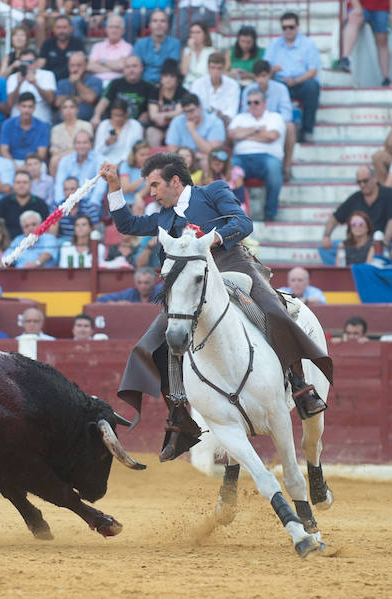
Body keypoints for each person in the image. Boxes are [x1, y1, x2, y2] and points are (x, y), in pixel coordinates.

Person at [99, 153, 332, 461]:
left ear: (175, 181)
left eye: (155, 185)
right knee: (149, 346)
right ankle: (179, 418)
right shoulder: (163, 217)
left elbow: (243, 223)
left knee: (273, 308)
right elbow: (127, 224)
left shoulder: (213, 192)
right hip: (192, 287)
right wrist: (115, 187)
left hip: (233, 267)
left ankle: (300, 386)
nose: (150, 193)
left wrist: (213, 239)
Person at [228, 88, 286, 222]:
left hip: (267, 157)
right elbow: (232, 134)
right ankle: (233, 213)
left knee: (274, 168)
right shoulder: (240, 118)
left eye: (256, 102)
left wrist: (245, 135)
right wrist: (257, 129)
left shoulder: (274, 117)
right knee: (229, 168)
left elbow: (271, 136)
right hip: (241, 158)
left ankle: (270, 212)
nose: (252, 105)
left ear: (264, 102)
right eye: (249, 103)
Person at [264, 11, 320, 143]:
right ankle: (272, 128)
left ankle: (307, 130)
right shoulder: (274, 45)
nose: (288, 30)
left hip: (300, 82)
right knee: (267, 87)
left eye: (291, 27)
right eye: (284, 27)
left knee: (313, 86)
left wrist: (295, 81)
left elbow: (312, 71)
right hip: (279, 82)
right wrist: (273, 70)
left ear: (297, 27)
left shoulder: (308, 44)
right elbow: (264, 69)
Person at [322, 166, 392, 249]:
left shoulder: (388, 194)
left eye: (365, 181)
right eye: (359, 182)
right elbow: (335, 217)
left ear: (375, 178)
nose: (362, 185)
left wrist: (384, 243)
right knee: (324, 248)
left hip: (383, 243)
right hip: (359, 245)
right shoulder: (355, 198)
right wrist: (326, 236)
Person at [91, 55, 156, 129]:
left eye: (134, 66)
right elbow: (104, 101)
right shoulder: (115, 83)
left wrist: (147, 114)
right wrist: (96, 116)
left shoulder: (150, 87)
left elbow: (154, 108)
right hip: (114, 123)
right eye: (127, 67)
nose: (131, 69)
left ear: (141, 68)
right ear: (123, 69)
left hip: (137, 125)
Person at [336, 0, 392, 86]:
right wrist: (356, 5)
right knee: (355, 17)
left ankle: (386, 78)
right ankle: (345, 58)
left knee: (382, 39)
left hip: (382, 6)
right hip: (361, 5)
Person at [4, 47, 56, 125]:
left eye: (30, 62)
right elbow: (10, 104)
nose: (27, 65)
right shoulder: (13, 78)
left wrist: (35, 83)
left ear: (37, 62)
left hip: (42, 122)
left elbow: (50, 100)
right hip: (18, 124)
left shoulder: (47, 75)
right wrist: (19, 84)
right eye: (23, 62)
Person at [55, 130, 105, 209]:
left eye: (85, 143)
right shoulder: (65, 160)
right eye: (78, 143)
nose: (81, 146)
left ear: (91, 144)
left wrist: (94, 203)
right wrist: (61, 203)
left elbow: (101, 184)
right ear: (74, 145)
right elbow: (59, 183)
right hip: (68, 203)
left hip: (90, 203)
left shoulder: (99, 159)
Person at [190, 53, 240, 126]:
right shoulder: (197, 84)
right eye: (212, 68)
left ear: (224, 69)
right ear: (208, 68)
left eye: (219, 68)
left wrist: (222, 116)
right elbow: (194, 108)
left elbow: (232, 111)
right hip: (201, 122)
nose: (215, 72)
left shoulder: (233, 85)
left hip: (224, 123)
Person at [0, 171, 50, 240]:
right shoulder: (4, 202)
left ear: (31, 184)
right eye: (18, 182)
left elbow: (46, 227)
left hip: (35, 242)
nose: (21, 185)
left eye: (25, 182)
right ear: (13, 185)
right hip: (9, 242)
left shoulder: (40, 204)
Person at [130, 9, 178, 85]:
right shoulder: (140, 44)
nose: (159, 24)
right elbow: (135, 67)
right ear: (150, 25)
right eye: (155, 21)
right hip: (143, 85)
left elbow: (171, 69)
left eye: (162, 21)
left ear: (167, 25)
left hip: (166, 85)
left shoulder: (175, 44)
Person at [0, 92, 50, 163]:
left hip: (34, 163)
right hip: (12, 161)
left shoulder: (43, 126)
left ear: (34, 108)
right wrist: (14, 165)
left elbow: (42, 153)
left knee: (42, 167)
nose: (26, 110)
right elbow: (4, 150)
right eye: (24, 106)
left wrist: (28, 166)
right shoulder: (7, 124)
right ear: (18, 107)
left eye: (30, 107)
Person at [87, 13, 133, 87]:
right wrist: (116, 68)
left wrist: (102, 61)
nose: (113, 30)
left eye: (117, 27)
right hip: (97, 84)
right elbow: (90, 66)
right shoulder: (97, 46)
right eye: (111, 27)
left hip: (118, 85)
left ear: (123, 31)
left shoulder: (128, 48)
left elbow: (123, 67)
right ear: (106, 29)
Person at [55, 51, 101, 124]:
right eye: (72, 65)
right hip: (64, 123)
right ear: (68, 66)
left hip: (87, 122)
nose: (75, 69)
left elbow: (90, 98)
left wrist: (77, 82)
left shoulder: (95, 81)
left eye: (79, 65)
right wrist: (80, 99)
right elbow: (58, 102)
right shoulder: (62, 83)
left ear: (86, 65)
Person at [94, 98, 143, 165]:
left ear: (126, 113)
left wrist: (120, 164)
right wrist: (107, 143)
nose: (117, 119)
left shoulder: (135, 125)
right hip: (105, 164)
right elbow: (97, 152)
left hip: (127, 163)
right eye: (114, 115)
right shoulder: (104, 125)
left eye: (120, 115)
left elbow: (137, 149)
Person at [37, 14, 85, 82]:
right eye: (58, 27)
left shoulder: (77, 43)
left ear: (71, 28)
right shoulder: (47, 43)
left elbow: (82, 63)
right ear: (54, 29)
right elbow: (41, 62)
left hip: (71, 81)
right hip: (50, 81)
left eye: (64, 27)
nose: (61, 31)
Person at [97, 266, 163, 303]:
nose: (143, 286)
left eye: (146, 282)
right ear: (135, 282)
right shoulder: (130, 293)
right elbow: (101, 299)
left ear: (154, 282)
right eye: (139, 282)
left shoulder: (161, 291)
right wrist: (116, 303)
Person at [180, 20, 215, 89]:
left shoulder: (212, 51)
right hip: (189, 85)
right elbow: (184, 72)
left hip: (206, 85)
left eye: (198, 32)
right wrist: (191, 50)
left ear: (205, 35)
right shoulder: (186, 51)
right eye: (192, 32)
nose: (194, 35)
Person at [119, 142, 151, 207]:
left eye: (148, 154)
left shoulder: (151, 167)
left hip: (143, 203)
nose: (146, 157)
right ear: (134, 155)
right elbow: (125, 189)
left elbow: (149, 187)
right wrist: (143, 177)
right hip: (126, 204)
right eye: (142, 155)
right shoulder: (125, 165)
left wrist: (139, 195)